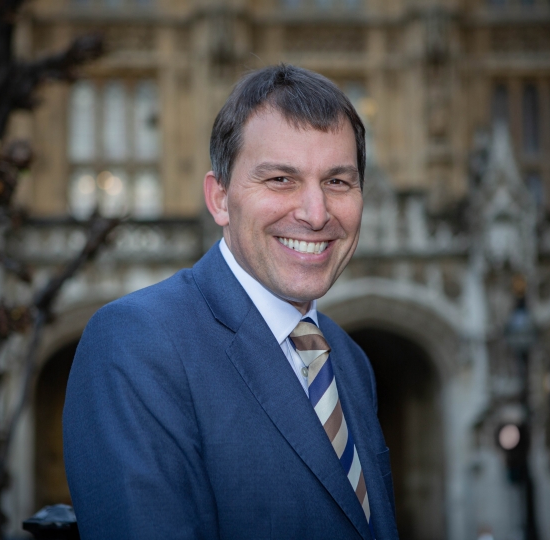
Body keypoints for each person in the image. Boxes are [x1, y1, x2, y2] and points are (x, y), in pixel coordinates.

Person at [62, 64, 399, 539]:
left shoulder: (350, 360)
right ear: (219, 198)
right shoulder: (136, 343)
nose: (316, 213)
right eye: (281, 179)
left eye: (338, 182)